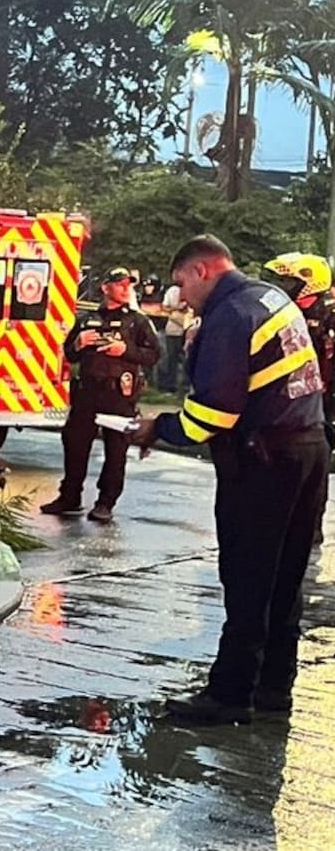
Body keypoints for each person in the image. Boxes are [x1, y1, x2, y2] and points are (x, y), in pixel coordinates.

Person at [131, 234, 329, 726]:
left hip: (263, 461)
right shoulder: (271, 297)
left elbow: (213, 413)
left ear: (202, 270)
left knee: (248, 574)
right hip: (306, 450)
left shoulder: (231, 316)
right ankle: (273, 687)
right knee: (285, 576)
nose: (180, 296)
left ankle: (231, 692)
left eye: (180, 283)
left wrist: (160, 427)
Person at [41, 266, 160, 523]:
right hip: (88, 391)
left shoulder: (137, 321)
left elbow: (154, 355)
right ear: (106, 288)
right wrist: (77, 343)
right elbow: (70, 354)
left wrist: (125, 350)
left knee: (116, 450)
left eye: (128, 284)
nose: (126, 288)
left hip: (118, 393)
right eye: (120, 284)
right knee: (74, 443)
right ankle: (69, 497)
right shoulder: (87, 318)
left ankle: (106, 502)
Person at [262, 251, 335, 545]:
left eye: (289, 280)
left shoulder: (329, 315)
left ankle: (312, 524)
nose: (283, 285)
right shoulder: (283, 312)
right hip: (285, 398)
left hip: (323, 400)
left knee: (316, 466)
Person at [158, 281, 193, 393]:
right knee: (170, 359)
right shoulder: (172, 291)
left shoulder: (193, 288)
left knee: (187, 359)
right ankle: (169, 386)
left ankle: (186, 386)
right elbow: (163, 307)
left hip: (188, 329)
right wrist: (176, 308)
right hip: (173, 329)